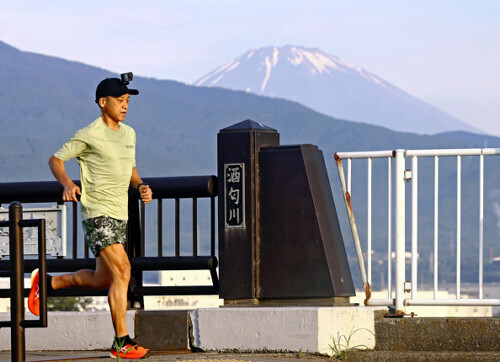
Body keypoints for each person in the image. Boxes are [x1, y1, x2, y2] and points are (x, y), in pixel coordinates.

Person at [28, 75, 153, 359]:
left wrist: (141, 186)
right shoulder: (89, 134)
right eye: (120, 101)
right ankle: (121, 342)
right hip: (97, 212)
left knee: (102, 280)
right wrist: (68, 184)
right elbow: (56, 159)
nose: (125, 106)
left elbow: (130, 168)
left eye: (128, 101)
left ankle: (47, 283)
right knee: (123, 270)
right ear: (102, 102)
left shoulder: (129, 134)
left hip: (120, 214)